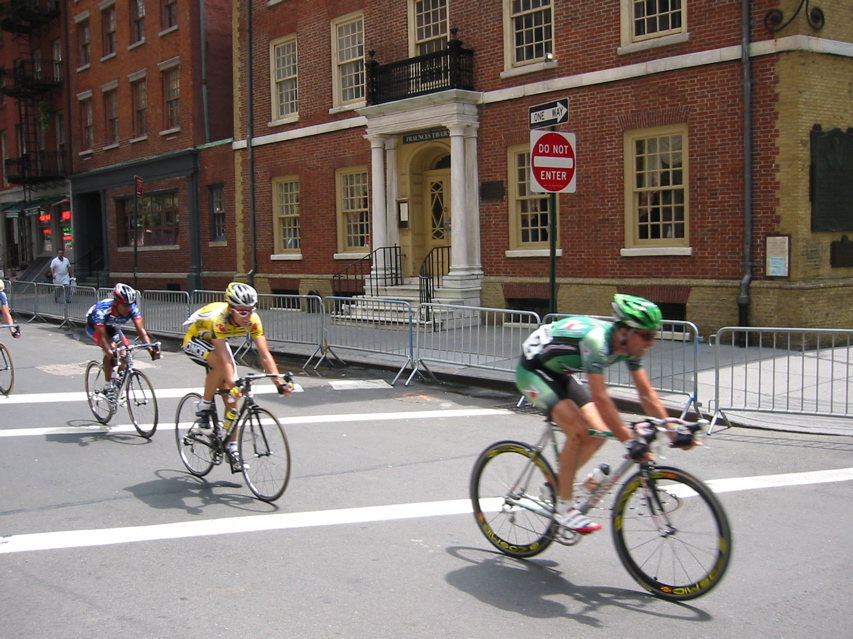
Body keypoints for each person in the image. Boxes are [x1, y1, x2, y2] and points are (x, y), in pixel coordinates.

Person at [516, 294, 694, 535]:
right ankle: (564, 507)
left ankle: (557, 485)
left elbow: (646, 393)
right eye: (647, 336)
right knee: (577, 431)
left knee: (599, 432)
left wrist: (672, 430)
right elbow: (601, 399)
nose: (651, 343)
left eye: (654, 335)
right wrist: (630, 443)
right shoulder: (597, 342)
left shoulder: (629, 347)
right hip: (532, 370)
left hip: (559, 370)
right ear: (625, 332)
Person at [182, 282, 292, 472]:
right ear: (231, 309)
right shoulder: (219, 320)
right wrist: (233, 381)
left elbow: (265, 355)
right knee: (221, 367)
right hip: (196, 340)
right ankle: (204, 406)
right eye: (242, 311)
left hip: (218, 346)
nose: (247, 315)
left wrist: (279, 382)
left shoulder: (254, 320)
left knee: (232, 398)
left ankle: (232, 448)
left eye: (250, 310)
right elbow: (224, 359)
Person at [86, 283, 160, 400]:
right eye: (125, 305)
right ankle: (108, 387)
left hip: (114, 328)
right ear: (116, 303)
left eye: (130, 305)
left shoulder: (132, 309)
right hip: (95, 329)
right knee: (111, 350)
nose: (128, 308)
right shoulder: (102, 310)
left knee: (126, 353)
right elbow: (104, 337)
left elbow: (141, 331)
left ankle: (118, 382)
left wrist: (150, 350)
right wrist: (111, 354)